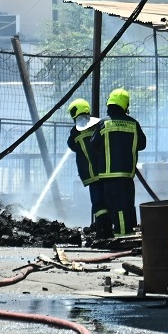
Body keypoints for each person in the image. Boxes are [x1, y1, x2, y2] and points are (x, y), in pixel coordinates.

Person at [89, 88, 147, 239]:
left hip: (109, 175)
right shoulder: (133, 124)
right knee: (127, 205)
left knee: (117, 206)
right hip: (127, 175)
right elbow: (142, 144)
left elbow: (93, 145)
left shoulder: (104, 123)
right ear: (125, 105)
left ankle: (122, 237)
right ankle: (128, 232)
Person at [66, 98, 107, 242]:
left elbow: (71, 145)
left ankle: (102, 233)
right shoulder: (99, 126)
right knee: (106, 201)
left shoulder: (75, 132)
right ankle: (106, 229)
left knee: (98, 203)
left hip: (90, 174)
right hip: (105, 172)